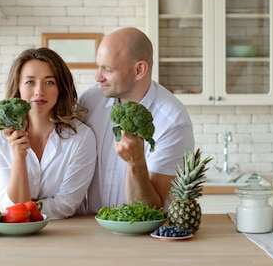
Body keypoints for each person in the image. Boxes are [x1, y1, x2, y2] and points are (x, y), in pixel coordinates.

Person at [79, 27, 195, 214]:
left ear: (139, 69)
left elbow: (152, 209)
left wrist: (136, 163)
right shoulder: (90, 101)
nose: (98, 76)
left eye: (107, 69)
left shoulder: (173, 122)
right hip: (93, 229)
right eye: (98, 67)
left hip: (147, 236)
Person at [0, 47, 97, 220]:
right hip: (18, 237)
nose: (39, 91)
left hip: (70, 234)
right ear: (19, 87)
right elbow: (11, 208)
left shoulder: (81, 137)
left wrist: (7, 206)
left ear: (61, 88)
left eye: (49, 82)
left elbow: (65, 205)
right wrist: (19, 157)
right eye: (30, 82)